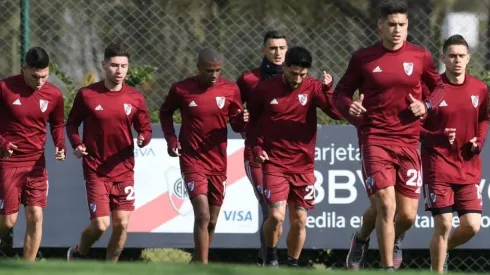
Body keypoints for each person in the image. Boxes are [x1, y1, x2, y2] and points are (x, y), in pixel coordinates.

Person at [333, 0, 445, 270]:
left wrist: (425, 105)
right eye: (392, 25)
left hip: (408, 140)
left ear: (408, 26)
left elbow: (440, 88)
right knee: (386, 205)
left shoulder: (421, 56)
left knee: (406, 216)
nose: (397, 30)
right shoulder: (363, 58)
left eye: (402, 25)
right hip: (375, 138)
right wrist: (352, 109)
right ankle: (386, 268)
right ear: (380, 25)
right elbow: (340, 94)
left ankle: (363, 238)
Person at [248, 46, 342, 267]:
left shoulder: (314, 88)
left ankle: (292, 265)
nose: (298, 78)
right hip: (275, 164)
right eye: (293, 73)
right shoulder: (265, 89)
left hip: (303, 167)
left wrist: (328, 90)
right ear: (284, 67)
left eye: (302, 74)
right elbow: (251, 123)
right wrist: (257, 147)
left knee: (300, 220)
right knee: (277, 216)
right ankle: (270, 257)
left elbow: (337, 114)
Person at [159, 47, 248, 264]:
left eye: (218, 70)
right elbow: (165, 112)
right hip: (192, 160)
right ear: (198, 67)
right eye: (209, 70)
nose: (214, 75)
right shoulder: (181, 89)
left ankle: (196, 262)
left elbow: (235, 125)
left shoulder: (230, 89)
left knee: (212, 221)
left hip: (218, 162)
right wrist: (171, 139)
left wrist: (243, 120)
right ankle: (204, 267)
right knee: (203, 215)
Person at [66, 43, 152, 262]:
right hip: (96, 169)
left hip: (124, 170)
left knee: (122, 224)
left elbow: (145, 128)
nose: (119, 70)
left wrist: (143, 138)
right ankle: (77, 253)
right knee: (101, 225)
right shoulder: (87, 95)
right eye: (114, 65)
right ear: (104, 65)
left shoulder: (135, 98)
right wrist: (76, 143)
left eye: (123, 65)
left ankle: (110, 268)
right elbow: (72, 125)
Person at [421, 35, 488, 273]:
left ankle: (442, 249)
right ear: (443, 58)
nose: (457, 60)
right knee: (444, 223)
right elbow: (415, 127)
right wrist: (437, 136)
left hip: (467, 167)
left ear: (468, 58)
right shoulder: (431, 89)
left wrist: (478, 141)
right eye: (452, 56)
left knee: (472, 226)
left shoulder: (480, 88)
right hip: (437, 166)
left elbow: (484, 118)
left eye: (461, 56)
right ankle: (437, 271)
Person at [0, 47, 65, 262]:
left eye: (45, 76)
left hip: (36, 163)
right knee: (8, 221)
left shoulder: (54, 94)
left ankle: (29, 268)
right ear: (25, 68)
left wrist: (60, 144)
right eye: (35, 76)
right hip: (8, 162)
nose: (40, 81)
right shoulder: (5, 88)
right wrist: (3, 142)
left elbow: (57, 124)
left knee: (35, 215)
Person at [236, 30, 287, 266]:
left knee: (285, 214)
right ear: (264, 50)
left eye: (281, 48)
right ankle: (269, 261)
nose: (277, 53)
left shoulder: (296, 78)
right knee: (270, 207)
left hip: (287, 155)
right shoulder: (248, 80)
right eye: (272, 48)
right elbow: (234, 116)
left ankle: (266, 259)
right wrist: (241, 118)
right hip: (256, 154)